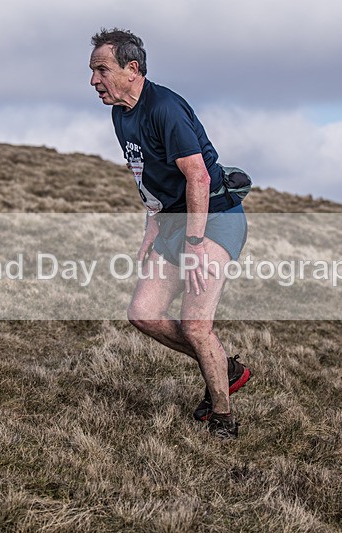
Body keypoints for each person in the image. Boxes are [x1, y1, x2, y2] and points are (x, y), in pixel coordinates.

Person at [89, 28, 251, 439]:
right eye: (93, 71)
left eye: (101, 70)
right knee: (142, 313)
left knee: (196, 325)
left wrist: (195, 245)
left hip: (214, 217)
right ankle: (225, 368)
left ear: (132, 68)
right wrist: (151, 228)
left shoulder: (166, 107)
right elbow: (145, 177)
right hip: (173, 221)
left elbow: (196, 176)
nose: (94, 81)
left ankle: (223, 418)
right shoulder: (119, 113)